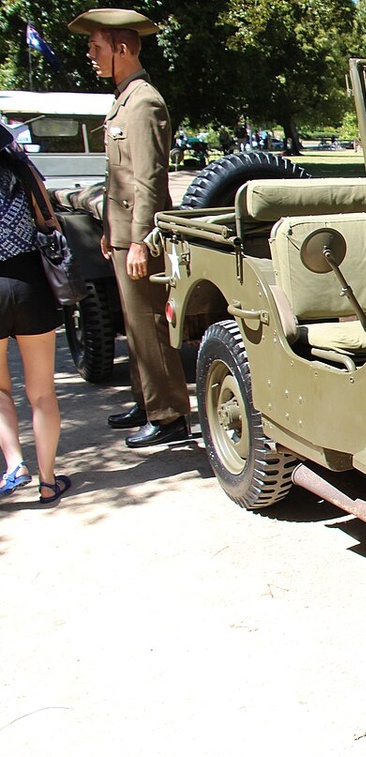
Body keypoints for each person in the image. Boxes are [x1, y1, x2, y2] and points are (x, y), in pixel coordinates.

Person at [69, 8, 190, 448]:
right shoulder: (123, 100)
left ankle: (170, 414)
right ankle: (147, 402)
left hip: (140, 237)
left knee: (150, 324)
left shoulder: (144, 102)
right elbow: (117, 176)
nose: (90, 55)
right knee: (134, 326)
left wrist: (139, 239)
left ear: (122, 49)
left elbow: (150, 179)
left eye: (96, 47)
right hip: (122, 234)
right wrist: (110, 229)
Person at [0, 124, 71, 503]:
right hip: (31, 285)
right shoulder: (25, 174)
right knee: (42, 392)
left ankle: (15, 463)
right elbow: (50, 224)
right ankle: (48, 481)